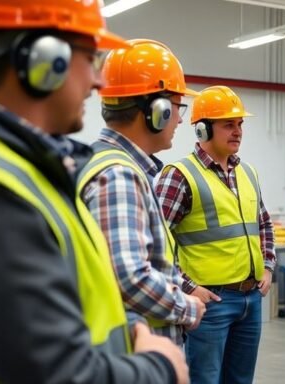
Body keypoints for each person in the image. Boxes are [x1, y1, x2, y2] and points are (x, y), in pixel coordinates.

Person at [0, 0, 188, 382]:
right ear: (44, 58)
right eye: (89, 58)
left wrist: (128, 328)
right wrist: (160, 367)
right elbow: (55, 371)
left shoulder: (35, 171)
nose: (98, 83)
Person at [77, 39, 204, 346]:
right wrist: (187, 307)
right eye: (176, 107)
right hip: (137, 352)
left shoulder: (101, 161)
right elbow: (129, 277)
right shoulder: (119, 176)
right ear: (156, 111)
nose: (180, 118)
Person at [155, 85, 275, 384]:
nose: (238, 131)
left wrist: (269, 267)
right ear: (202, 131)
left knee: (240, 380)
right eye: (228, 125)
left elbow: (264, 224)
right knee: (204, 380)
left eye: (240, 124)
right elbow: (155, 240)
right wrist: (187, 286)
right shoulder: (179, 175)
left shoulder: (247, 172)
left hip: (250, 299)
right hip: (210, 302)